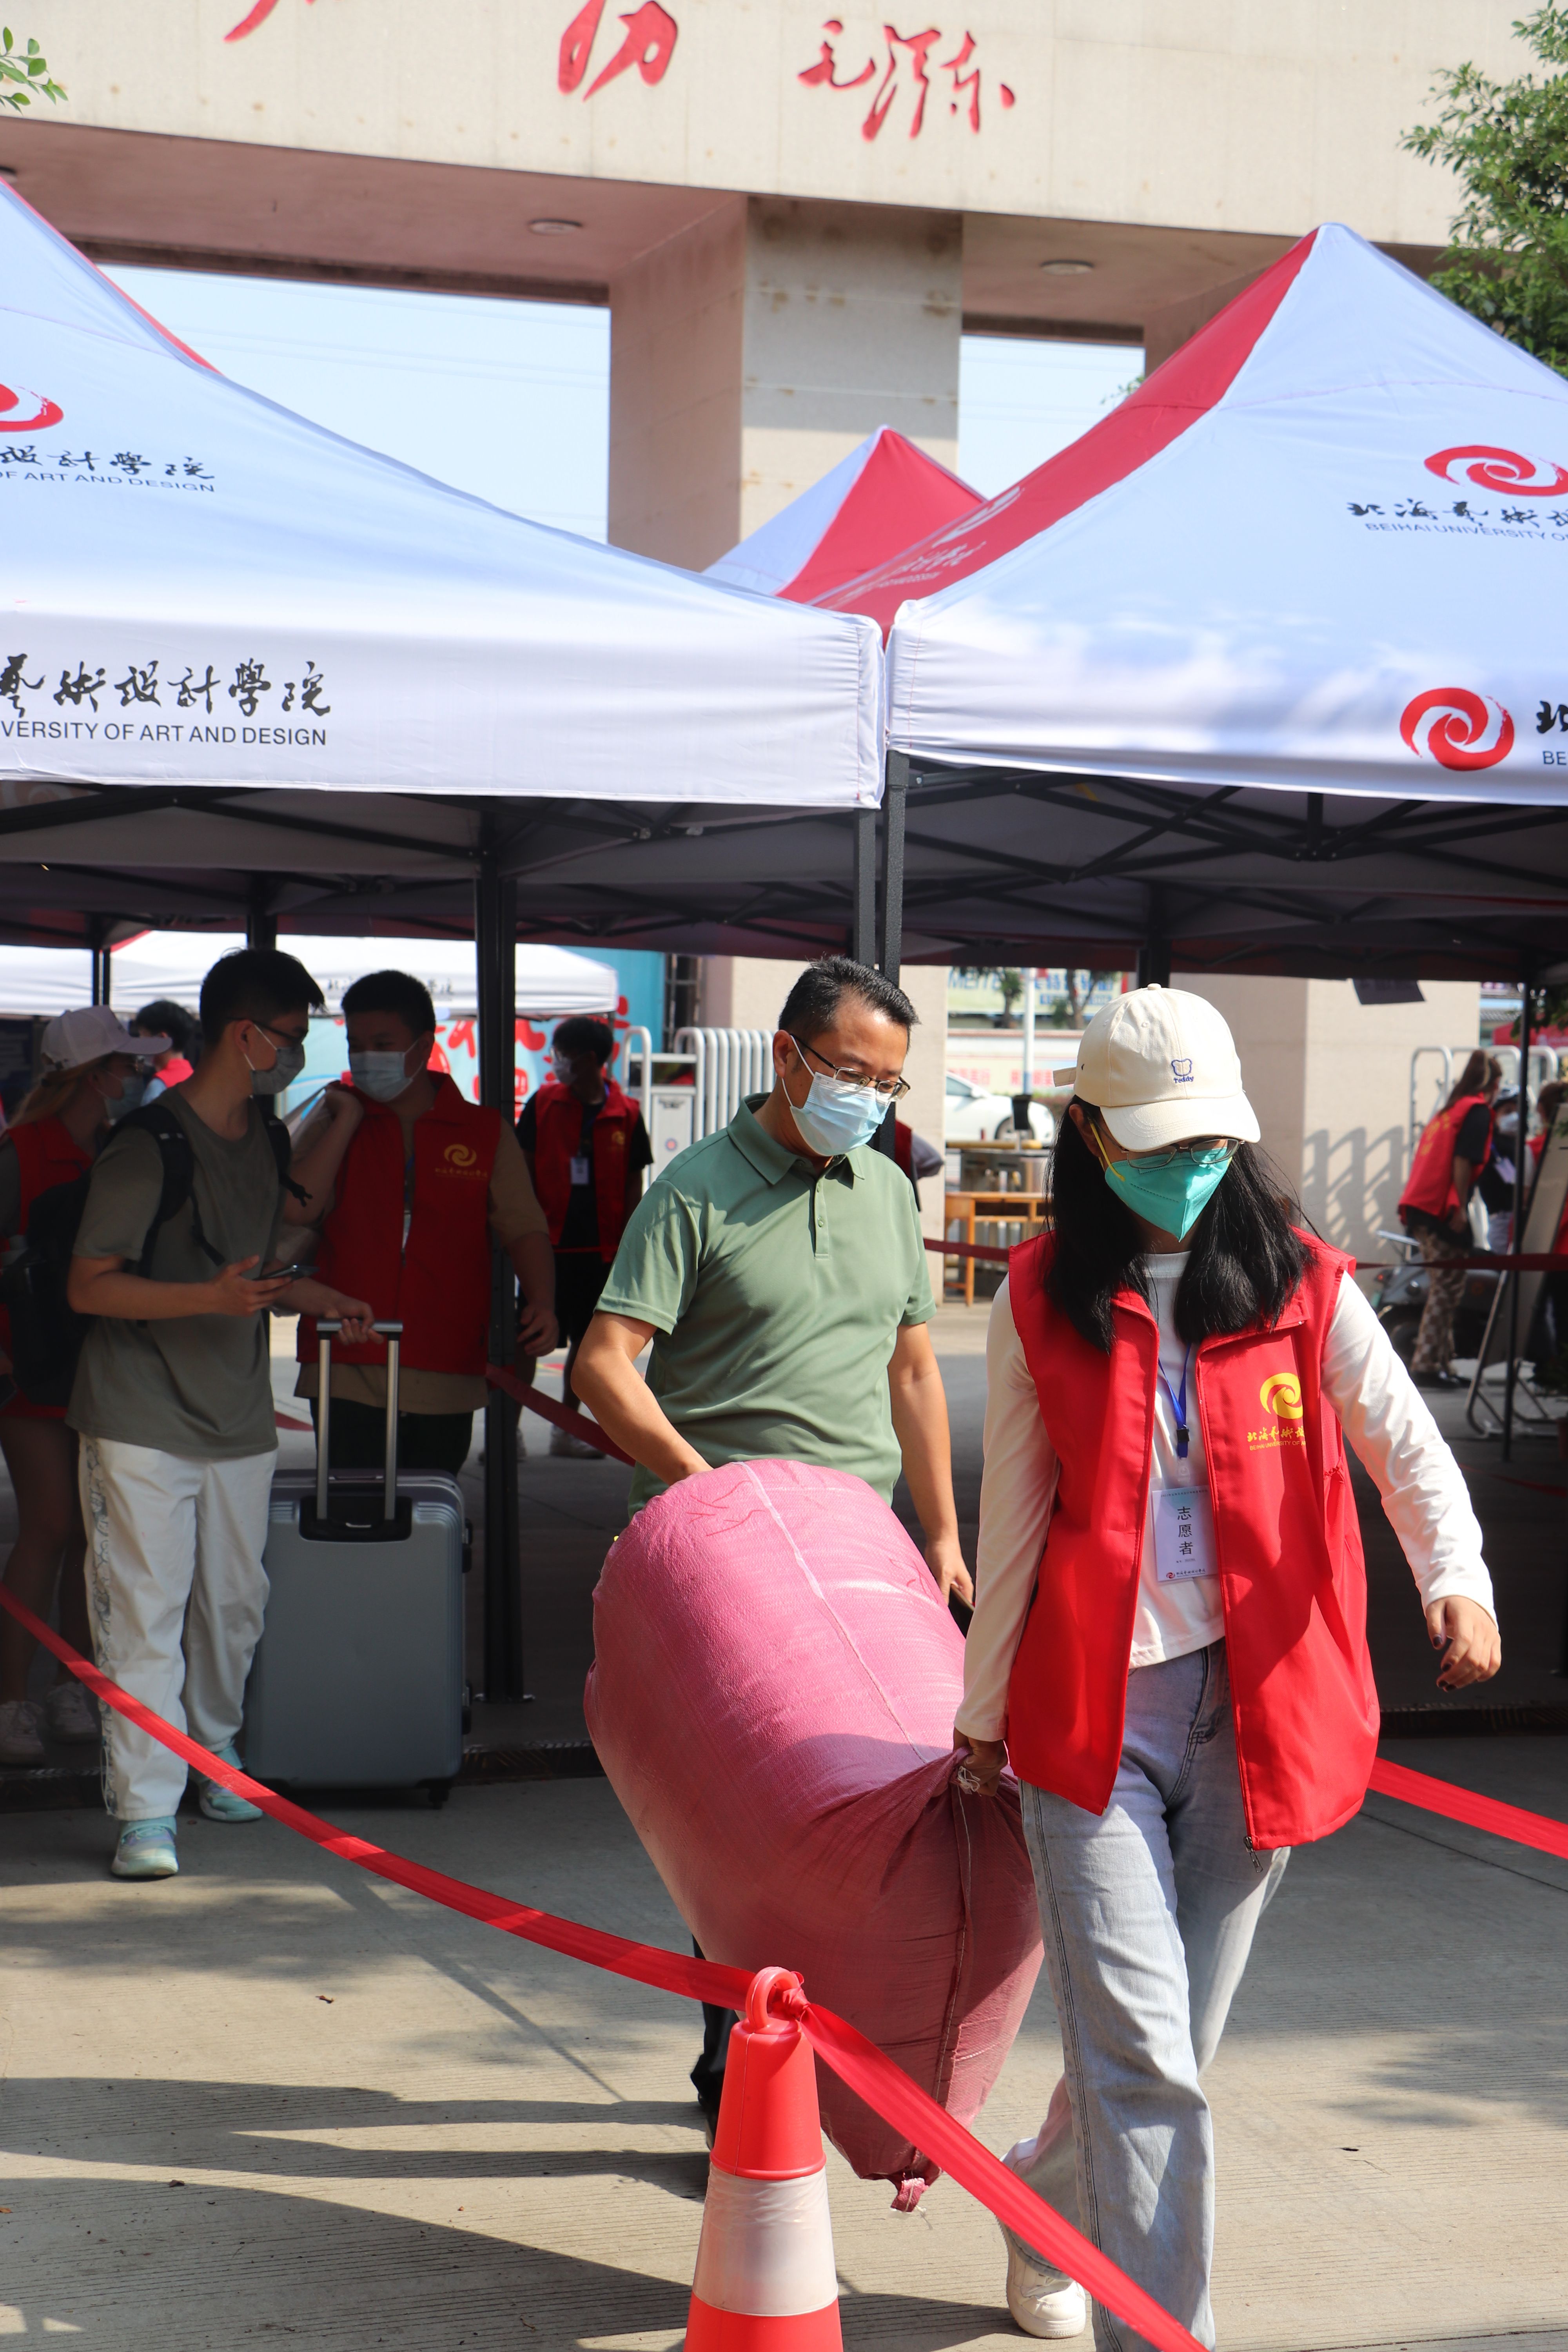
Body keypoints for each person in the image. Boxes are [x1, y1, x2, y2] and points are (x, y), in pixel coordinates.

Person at [953, 985, 1500, 2347]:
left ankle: (1038, 2203)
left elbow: (1404, 1444)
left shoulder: (1304, 1281)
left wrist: (1456, 1576)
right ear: (1091, 1135)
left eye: (1210, 1141)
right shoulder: (1039, 1296)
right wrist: (980, 1712)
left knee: (1166, 2051)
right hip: (1092, 1723)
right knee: (1144, 2063)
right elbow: (1014, 1516)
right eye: (1161, 1142)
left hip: (1258, 1713)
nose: (1191, 1166)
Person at [573, 954, 971, 2132]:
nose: (869, 1100)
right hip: (728, 1561)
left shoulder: (885, 1188)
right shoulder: (693, 1190)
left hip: (856, 1550)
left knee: (875, 1800)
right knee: (744, 1826)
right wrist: (709, 1496)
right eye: (850, 1072)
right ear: (787, 1056)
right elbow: (602, 1366)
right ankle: (736, 2073)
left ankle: (838, 2053)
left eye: (889, 1084)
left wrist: (942, 1532)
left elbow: (913, 1369)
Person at [66, 948, 376, 1881]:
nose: (299, 1054)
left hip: (237, 1414)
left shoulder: (266, 1138)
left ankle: (214, 1758)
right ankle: (145, 1809)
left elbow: (254, 1267)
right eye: (292, 1037)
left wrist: (317, 1296)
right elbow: (89, 1286)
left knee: (235, 1604)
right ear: (245, 1035)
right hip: (138, 1415)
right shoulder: (147, 1143)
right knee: (146, 1612)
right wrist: (209, 1300)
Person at [283, 969, 558, 1475]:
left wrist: (541, 1300)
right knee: (350, 1503)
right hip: (345, 1351)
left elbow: (523, 1225)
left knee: (430, 1504)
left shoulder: (482, 1130)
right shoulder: (335, 1115)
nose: (366, 1058)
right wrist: (346, 1121)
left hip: (446, 1358)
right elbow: (296, 1208)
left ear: (424, 1045)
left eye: (383, 1044)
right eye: (355, 1045)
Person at [0, 1008, 160, 1765]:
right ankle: (12, 1701)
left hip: (102, 1364)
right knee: (51, 1524)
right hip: (27, 1366)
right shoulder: (18, 1152)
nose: (140, 1076)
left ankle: (73, 1687)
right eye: (128, 1065)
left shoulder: (121, 1148)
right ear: (96, 1076)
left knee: (94, 1534)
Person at [517, 1016, 652, 1456]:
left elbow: (633, 1182)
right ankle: (509, 1431)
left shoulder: (627, 1113)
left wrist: (629, 1246)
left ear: (589, 1059)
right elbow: (521, 1166)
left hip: (601, 1252)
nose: (556, 1062)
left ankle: (566, 1429)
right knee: (527, 1339)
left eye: (563, 1054)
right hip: (546, 1247)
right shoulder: (543, 1103)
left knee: (586, 1342)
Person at [1398, 1049, 1502, 1389]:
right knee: (1447, 1289)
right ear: (1494, 1085)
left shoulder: (1449, 1110)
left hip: (1420, 1205)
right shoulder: (1476, 1111)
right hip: (1441, 1208)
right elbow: (1462, 1161)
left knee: (1447, 1287)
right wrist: (1459, 1206)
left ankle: (1441, 1362)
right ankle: (1427, 1364)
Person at [131, 998, 198, 1105]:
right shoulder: (195, 1079)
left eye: (143, 1036)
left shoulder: (158, 1087)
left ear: (162, 1039)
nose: (140, 1043)